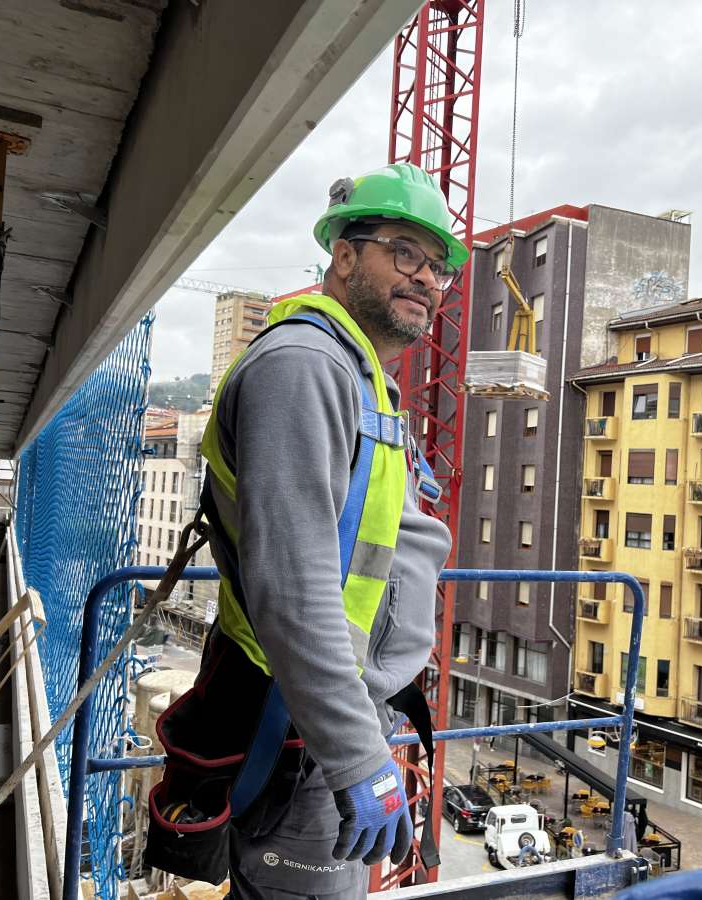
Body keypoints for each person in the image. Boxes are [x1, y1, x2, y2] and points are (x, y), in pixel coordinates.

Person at [197, 163, 466, 899]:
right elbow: (293, 589)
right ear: (343, 257)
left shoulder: (358, 373)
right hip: (303, 717)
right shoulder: (304, 367)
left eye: (438, 266)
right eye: (404, 253)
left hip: (329, 706)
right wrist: (355, 756)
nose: (427, 278)